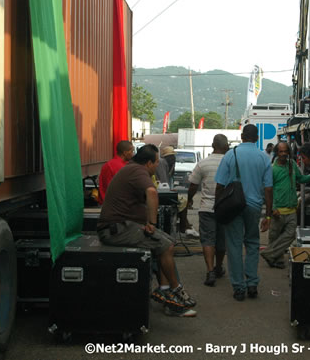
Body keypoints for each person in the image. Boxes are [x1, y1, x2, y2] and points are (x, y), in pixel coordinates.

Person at [97, 144, 197, 317]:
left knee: (165, 243)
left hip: (122, 226)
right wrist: (151, 222)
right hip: (117, 229)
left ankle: (164, 290)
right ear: (149, 162)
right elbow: (151, 192)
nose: (158, 165)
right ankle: (175, 291)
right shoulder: (138, 171)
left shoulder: (131, 168)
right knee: (166, 246)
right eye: (157, 162)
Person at [215, 124, 273, 301]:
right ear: (257, 138)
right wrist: (268, 214)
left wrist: (218, 207)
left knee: (234, 245)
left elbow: (219, 185)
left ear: (242, 136)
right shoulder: (264, 157)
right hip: (254, 206)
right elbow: (268, 189)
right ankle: (252, 283)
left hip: (233, 206)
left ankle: (239, 287)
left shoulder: (230, 155)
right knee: (253, 242)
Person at [260, 142, 310, 269]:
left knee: (290, 235)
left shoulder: (292, 165)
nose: (283, 154)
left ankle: (268, 253)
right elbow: (267, 190)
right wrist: (272, 209)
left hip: (291, 209)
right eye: (281, 151)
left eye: (285, 151)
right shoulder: (272, 169)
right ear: (277, 152)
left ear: (289, 152)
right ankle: (275, 260)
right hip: (278, 210)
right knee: (274, 236)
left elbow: (301, 179)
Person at [187, 134, 229, 286]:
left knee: (207, 240)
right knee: (221, 240)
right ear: (226, 146)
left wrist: (189, 199)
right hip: (225, 208)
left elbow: (192, 185)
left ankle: (210, 271)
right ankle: (218, 267)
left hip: (206, 208)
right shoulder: (230, 163)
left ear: (212, 145)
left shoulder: (203, 163)